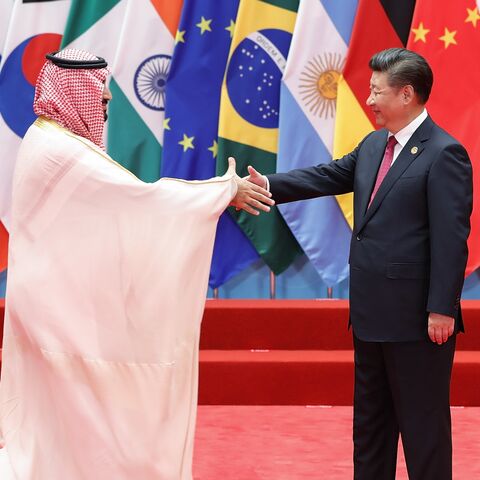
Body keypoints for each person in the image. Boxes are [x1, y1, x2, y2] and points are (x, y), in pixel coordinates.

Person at [0, 48, 273, 480]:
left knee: (61, 415)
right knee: (84, 410)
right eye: (102, 102)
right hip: (56, 308)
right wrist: (222, 191)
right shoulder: (59, 149)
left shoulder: (48, 139)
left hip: (54, 298)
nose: (105, 113)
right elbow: (141, 201)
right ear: (75, 93)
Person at [247, 48, 473, 480]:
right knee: (370, 426)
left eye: (376, 91)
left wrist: (442, 307)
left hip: (417, 320)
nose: (368, 100)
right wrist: (269, 184)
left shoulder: (444, 153)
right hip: (370, 315)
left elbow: (451, 237)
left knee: (423, 428)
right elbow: (327, 175)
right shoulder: (374, 145)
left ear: (406, 94)